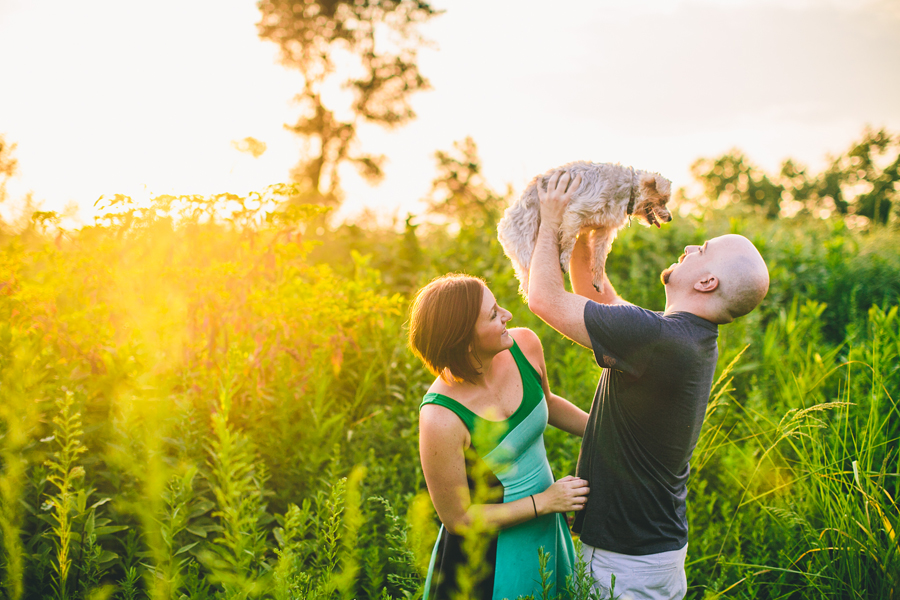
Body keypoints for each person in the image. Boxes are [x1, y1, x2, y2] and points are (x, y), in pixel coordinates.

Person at [527, 171, 769, 600]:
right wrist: (591, 217)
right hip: (652, 553)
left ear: (707, 282)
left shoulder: (657, 338)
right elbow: (595, 292)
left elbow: (544, 299)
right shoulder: (683, 337)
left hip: (624, 562)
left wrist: (550, 220)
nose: (691, 245)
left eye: (704, 250)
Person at [409, 273, 591, 600]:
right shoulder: (440, 417)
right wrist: (546, 501)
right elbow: (459, 518)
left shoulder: (525, 345)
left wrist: (606, 430)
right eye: (493, 315)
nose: (507, 314)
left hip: (549, 524)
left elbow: (546, 402)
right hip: (486, 562)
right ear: (465, 341)